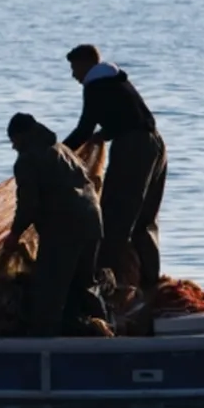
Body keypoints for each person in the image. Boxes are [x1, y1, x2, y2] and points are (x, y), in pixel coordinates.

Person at [61, 45, 167, 295]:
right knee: (144, 221)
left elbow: (83, 129)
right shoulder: (117, 82)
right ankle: (150, 283)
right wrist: (105, 134)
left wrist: (58, 151)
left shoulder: (96, 86)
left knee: (115, 217)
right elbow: (128, 116)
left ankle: (110, 285)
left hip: (133, 149)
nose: (74, 75)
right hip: (156, 145)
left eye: (74, 67)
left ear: (87, 63)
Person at [3, 113, 105, 337]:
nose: (13, 147)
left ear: (21, 136)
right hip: (93, 223)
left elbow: (28, 204)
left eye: (13, 141)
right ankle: (104, 332)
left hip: (64, 229)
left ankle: (43, 343)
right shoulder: (63, 150)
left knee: (49, 290)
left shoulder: (28, 158)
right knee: (85, 286)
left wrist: (14, 234)